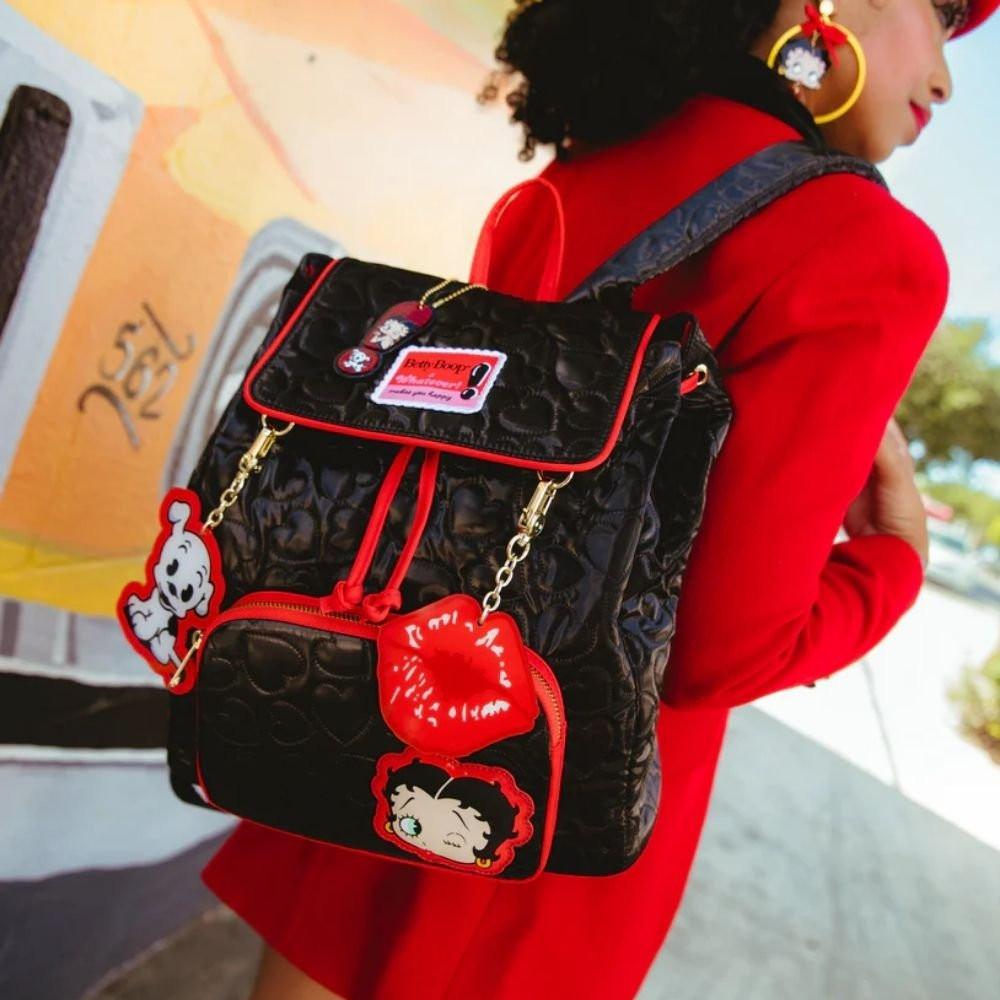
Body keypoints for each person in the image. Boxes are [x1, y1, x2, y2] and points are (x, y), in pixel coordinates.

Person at [199, 2, 998, 997]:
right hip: (536, 833)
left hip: (377, 713)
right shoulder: (867, 248)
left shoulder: (578, 170)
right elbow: (718, 652)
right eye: (943, 12)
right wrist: (892, 562)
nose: (946, 79)